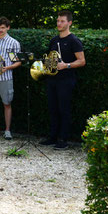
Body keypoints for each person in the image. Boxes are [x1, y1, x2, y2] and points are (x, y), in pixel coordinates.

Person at [39, 10, 86, 150]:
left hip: (66, 80)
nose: (59, 23)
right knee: (52, 108)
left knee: (63, 109)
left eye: (62, 21)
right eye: (58, 21)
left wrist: (66, 65)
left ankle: (63, 139)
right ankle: (53, 137)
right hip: (52, 79)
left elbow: (82, 61)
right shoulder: (54, 40)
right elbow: (49, 58)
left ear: (69, 23)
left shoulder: (74, 41)